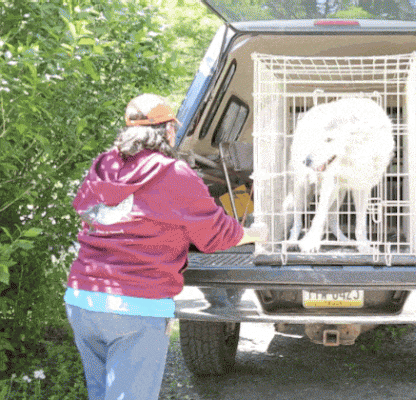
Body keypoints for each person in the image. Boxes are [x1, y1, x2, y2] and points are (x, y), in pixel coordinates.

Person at [64, 93, 265, 400]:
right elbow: (217, 235)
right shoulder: (174, 173)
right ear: (169, 130)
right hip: (136, 306)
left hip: (82, 299)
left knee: (102, 393)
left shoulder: (103, 165)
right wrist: (255, 234)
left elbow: (84, 211)